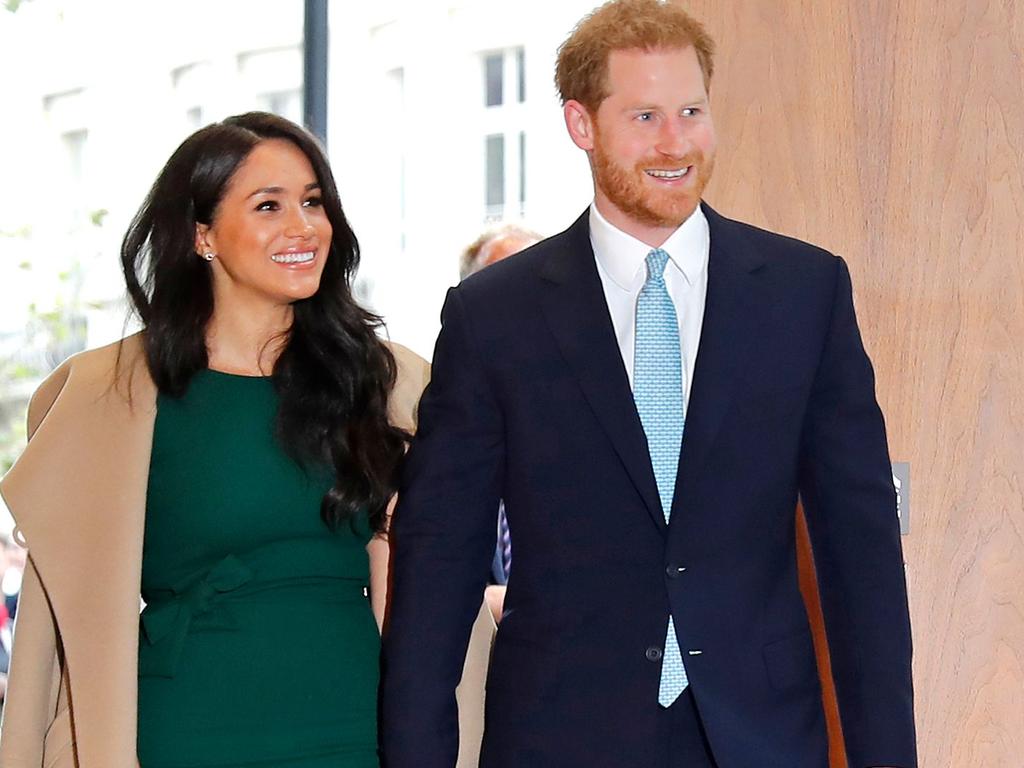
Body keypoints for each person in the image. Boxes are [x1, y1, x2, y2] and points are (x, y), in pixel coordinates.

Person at [380, 1, 916, 767]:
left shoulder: (805, 292)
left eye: (691, 111)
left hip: (761, 736)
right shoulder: (493, 316)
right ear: (581, 124)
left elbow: (860, 553)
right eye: (644, 116)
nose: (676, 143)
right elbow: (439, 560)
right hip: (561, 736)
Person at [0, 112, 430, 767]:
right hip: (185, 728)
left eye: (314, 202)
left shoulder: (389, 381)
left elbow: (406, 580)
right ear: (202, 235)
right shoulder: (105, 396)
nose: (303, 227)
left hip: (355, 723)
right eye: (269, 205)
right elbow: (62, 622)